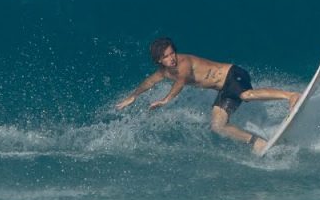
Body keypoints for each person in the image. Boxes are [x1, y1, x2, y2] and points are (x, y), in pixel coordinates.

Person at [115, 37, 300, 155]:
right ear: (159, 60)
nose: (172, 58)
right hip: (224, 89)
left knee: (246, 94)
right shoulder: (165, 72)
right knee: (218, 126)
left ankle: (291, 95)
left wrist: (166, 100)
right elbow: (149, 82)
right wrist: (134, 96)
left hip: (233, 74)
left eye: (172, 53)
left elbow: (180, 82)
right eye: (166, 56)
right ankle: (256, 142)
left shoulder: (183, 63)